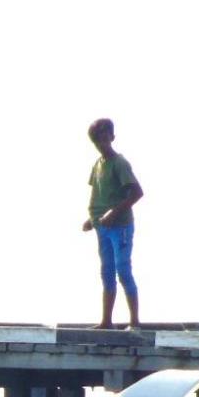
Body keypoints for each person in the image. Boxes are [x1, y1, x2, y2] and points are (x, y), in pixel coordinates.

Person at [81, 117, 144, 329]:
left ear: (112, 137)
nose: (101, 144)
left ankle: (134, 322)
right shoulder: (98, 165)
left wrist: (113, 213)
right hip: (102, 227)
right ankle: (106, 321)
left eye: (104, 139)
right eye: (97, 140)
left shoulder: (120, 163)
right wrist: (92, 219)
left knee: (123, 270)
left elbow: (137, 193)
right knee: (106, 271)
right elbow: (99, 195)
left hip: (121, 226)